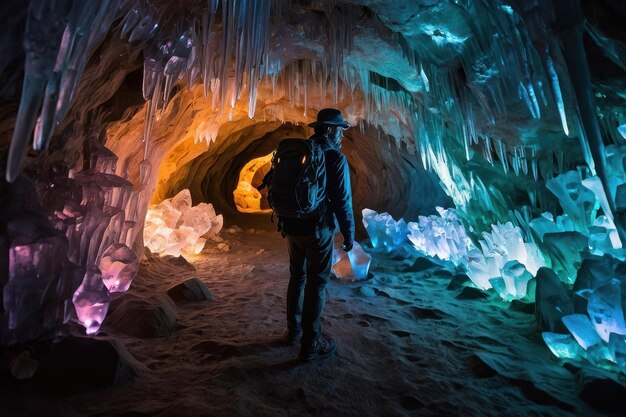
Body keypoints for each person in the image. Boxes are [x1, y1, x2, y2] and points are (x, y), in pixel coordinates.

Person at [280, 108, 355, 362]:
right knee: (317, 283)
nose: (342, 136)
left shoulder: (301, 153)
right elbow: (343, 201)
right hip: (318, 229)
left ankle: (293, 332)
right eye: (341, 130)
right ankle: (311, 343)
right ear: (331, 130)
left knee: (297, 277)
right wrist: (348, 233)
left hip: (292, 226)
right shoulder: (334, 157)